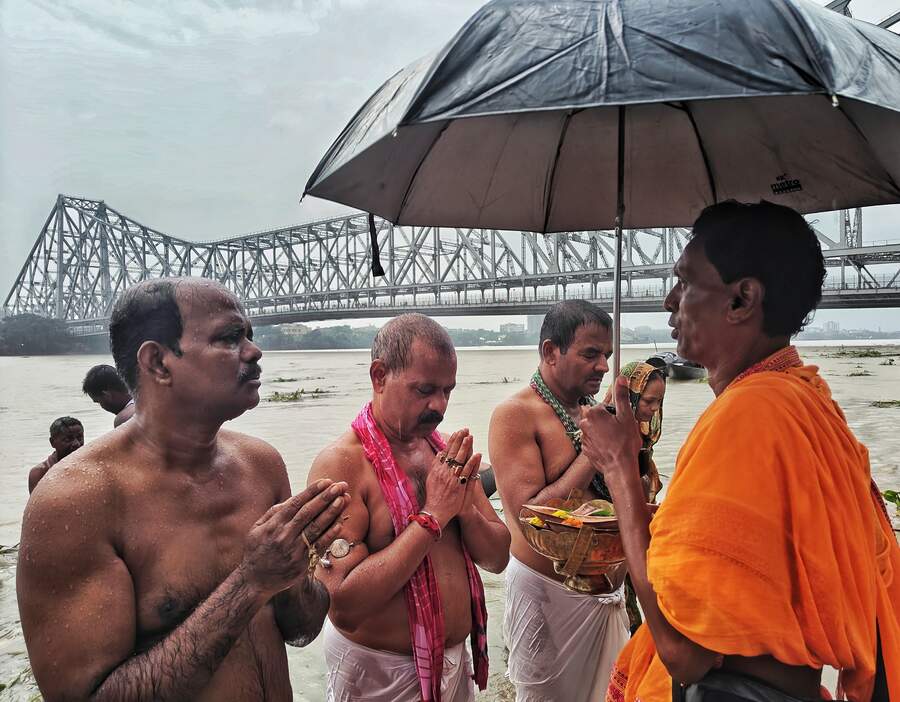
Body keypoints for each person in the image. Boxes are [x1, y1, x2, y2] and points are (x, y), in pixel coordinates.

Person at [577, 201, 899, 701]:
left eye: (685, 281)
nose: (668, 300)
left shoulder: (751, 415)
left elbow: (683, 651)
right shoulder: (807, 399)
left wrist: (619, 467)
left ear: (742, 299)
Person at [18, 278, 349, 702]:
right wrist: (249, 583)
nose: (254, 351)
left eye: (250, 335)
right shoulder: (75, 501)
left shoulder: (261, 464)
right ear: (157, 362)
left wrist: (295, 572)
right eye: (231, 337)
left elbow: (302, 630)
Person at [308, 313, 510, 702]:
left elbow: (498, 557)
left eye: (448, 390)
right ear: (379, 376)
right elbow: (343, 604)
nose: (440, 405)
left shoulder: (445, 451)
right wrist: (432, 516)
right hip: (378, 674)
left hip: (453, 665)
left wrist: (463, 505)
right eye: (425, 390)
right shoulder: (343, 465)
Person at [488, 300, 629, 702]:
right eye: (591, 354)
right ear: (551, 352)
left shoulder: (593, 412)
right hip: (547, 597)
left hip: (606, 596)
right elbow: (529, 517)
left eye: (607, 355)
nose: (603, 365)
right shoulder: (516, 414)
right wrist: (592, 454)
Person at [602, 360, 667, 634]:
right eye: (649, 401)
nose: (654, 409)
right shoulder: (608, 429)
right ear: (630, 396)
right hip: (613, 524)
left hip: (639, 517)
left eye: (659, 402)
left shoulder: (647, 432)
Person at [28, 416, 84, 493]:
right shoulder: (40, 473)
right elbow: (37, 504)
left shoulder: (90, 465)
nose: (76, 443)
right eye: (68, 439)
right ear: (52, 442)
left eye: (80, 438)